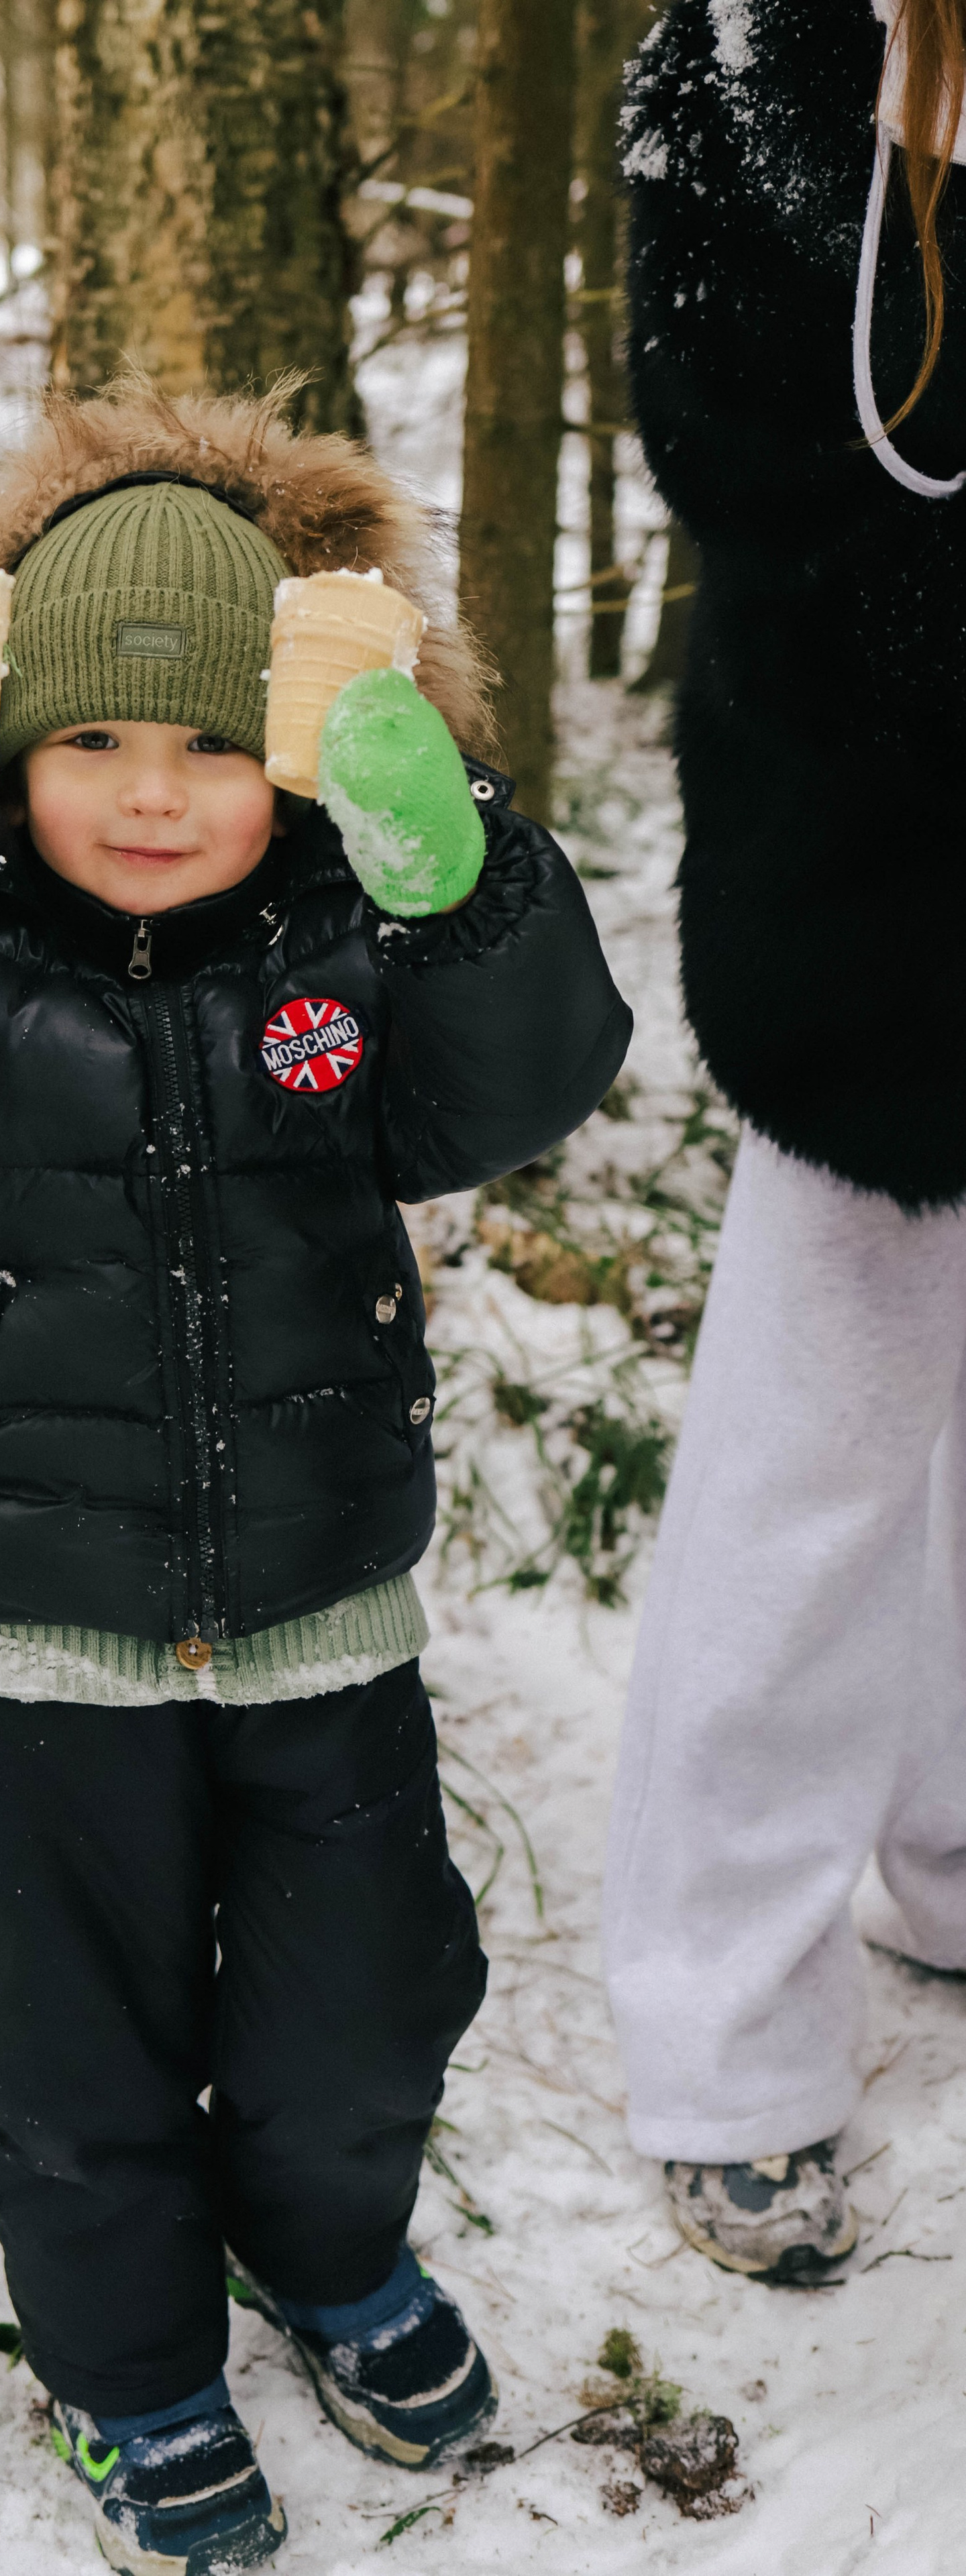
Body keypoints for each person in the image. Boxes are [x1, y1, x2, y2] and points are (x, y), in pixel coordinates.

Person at [0, 381, 629, 2571]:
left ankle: (329, 2252)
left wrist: (460, 878)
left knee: (362, 2004)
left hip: (321, 1600)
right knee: (80, 2053)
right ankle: (129, 2372)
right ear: (6, 747)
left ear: (289, 753)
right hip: (41, 1622)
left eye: (207, 743)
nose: (155, 793)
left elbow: (513, 1090)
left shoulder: (345, 947)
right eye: (93, 739)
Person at [604, 0, 966, 2284]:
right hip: (883, 910)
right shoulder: (756, 49)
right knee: (814, 1472)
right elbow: (739, 456)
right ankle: (726, 2041)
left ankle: (957, 1861)